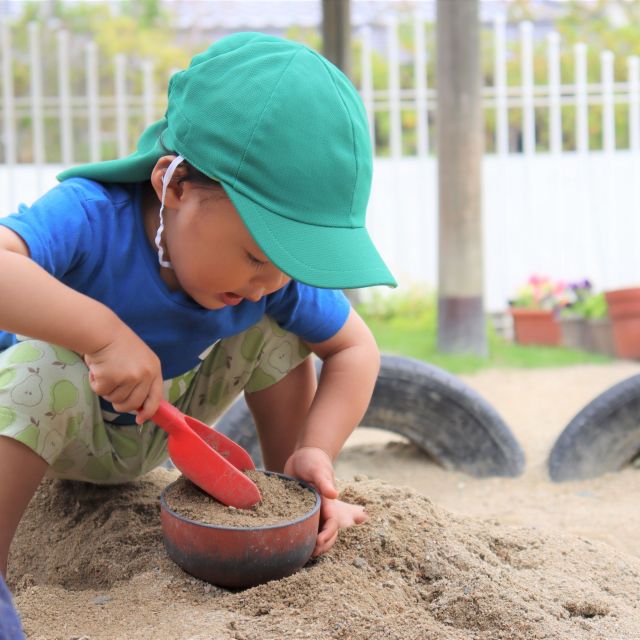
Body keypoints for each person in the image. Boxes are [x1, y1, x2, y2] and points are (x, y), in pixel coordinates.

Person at [0, 32, 396, 577]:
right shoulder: (90, 216)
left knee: (278, 330)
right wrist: (103, 334)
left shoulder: (271, 280)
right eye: (257, 254)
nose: (270, 280)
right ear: (174, 184)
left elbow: (356, 347)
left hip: (162, 423)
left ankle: (292, 500)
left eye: (289, 261)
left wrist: (317, 449)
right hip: (48, 426)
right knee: (38, 365)